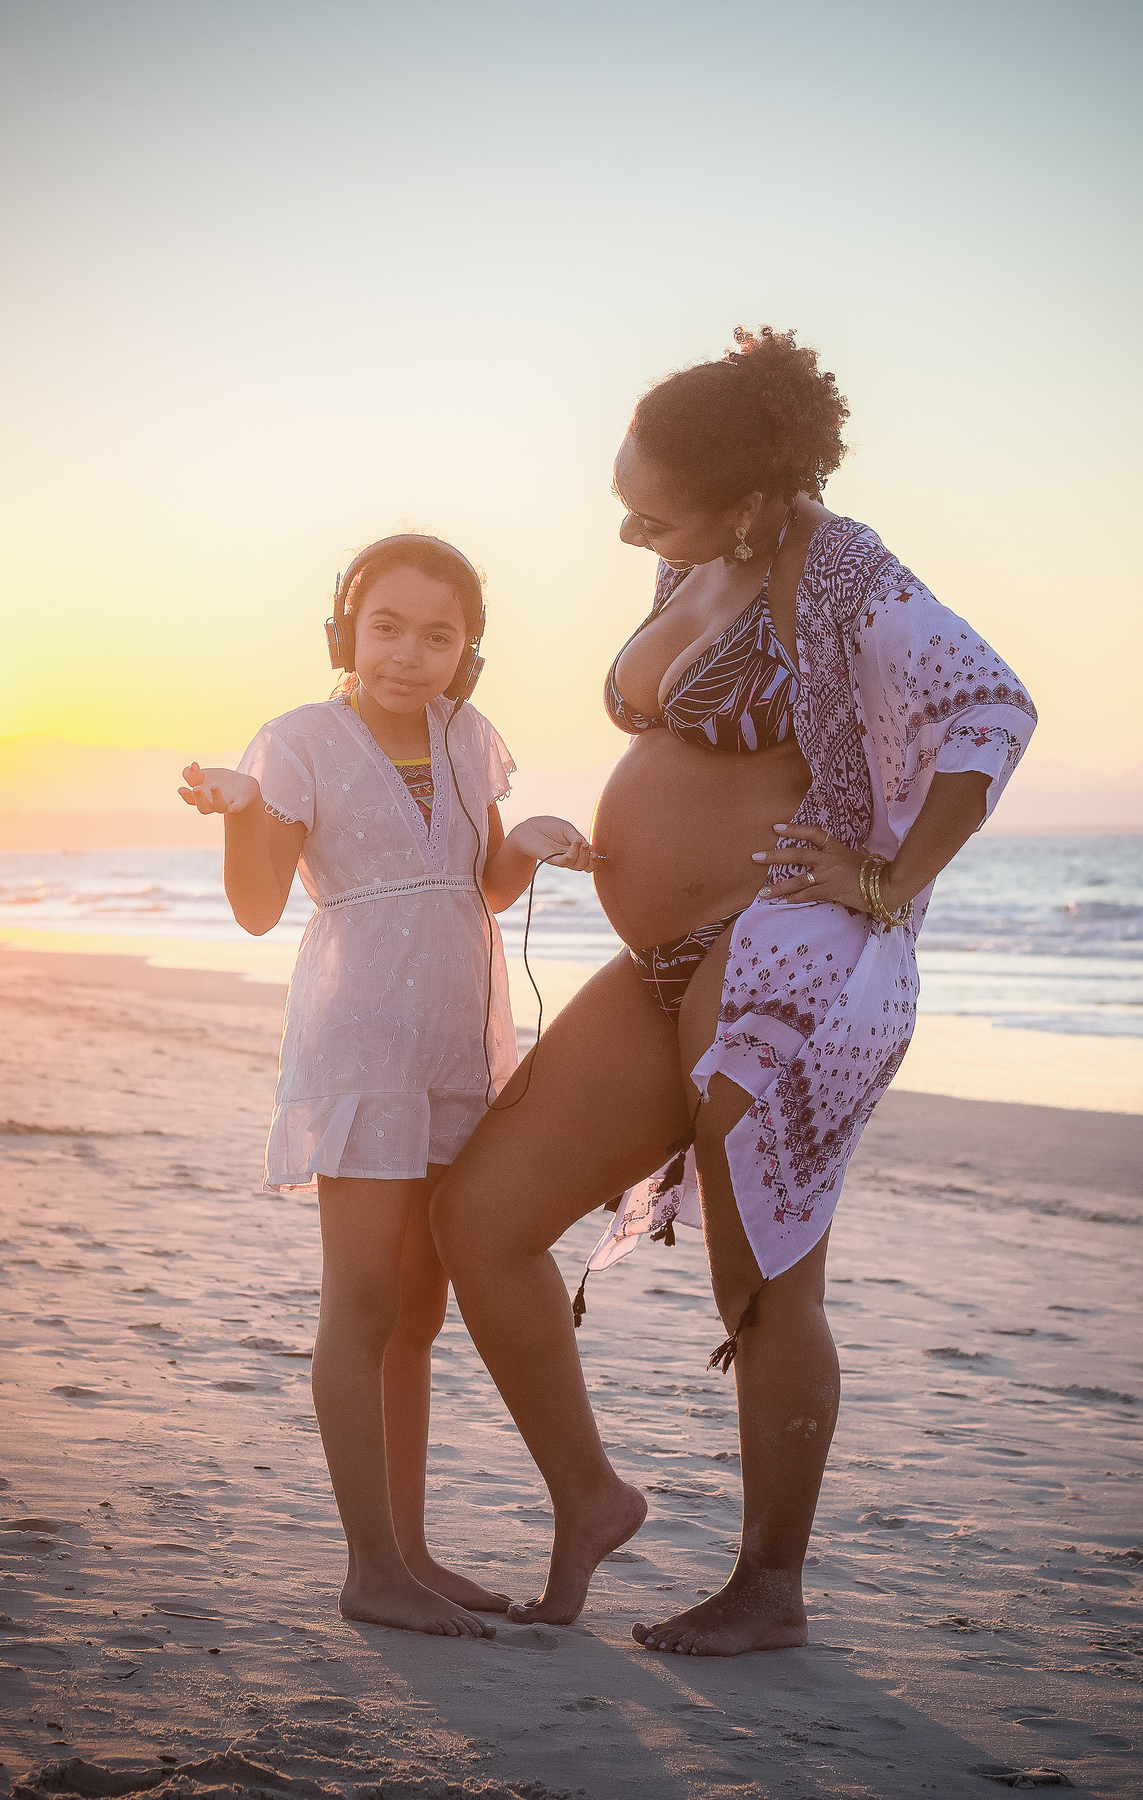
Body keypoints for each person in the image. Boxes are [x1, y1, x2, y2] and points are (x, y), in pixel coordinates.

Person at [432, 329, 1037, 1656]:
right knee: (481, 1217)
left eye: (652, 507)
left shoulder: (844, 568)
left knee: (759, 1283)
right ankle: (592, 1499)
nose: (628, 527)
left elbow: (991, 710)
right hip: (657, 964)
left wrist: (888, 877)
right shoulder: (689, 561)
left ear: (754, 502)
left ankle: (771, 1586)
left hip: (773, 961)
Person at [178, 533, 598, 1638]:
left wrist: (529, 844)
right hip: (359, 1048)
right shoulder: (297, 742)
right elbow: (258, 908)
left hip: (457, 1050)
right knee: (360, 1307)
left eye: (438, 636)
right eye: (387, 629)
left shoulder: (469, 738)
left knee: (419, 1314)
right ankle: (370, 1568)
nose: (409, 655)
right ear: (345, 634)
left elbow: (477, 886)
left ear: (470, 653)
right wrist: (240, 810)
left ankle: (411, 1554)